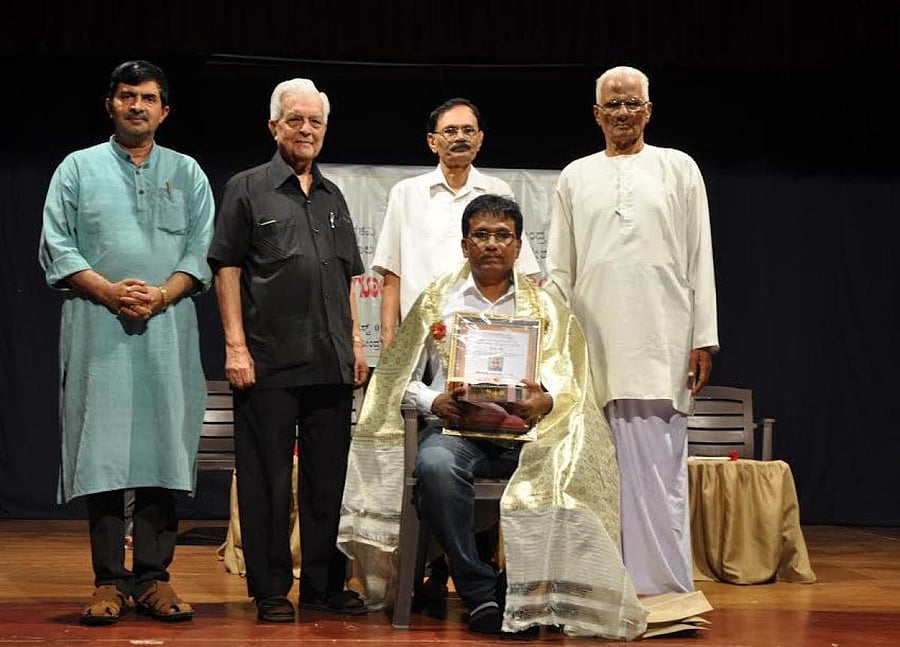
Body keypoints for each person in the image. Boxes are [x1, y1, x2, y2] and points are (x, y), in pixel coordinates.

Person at [339, 195, 648, 639]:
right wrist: (433, 401)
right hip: (456, 432)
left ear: (519, 246)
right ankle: (478, 589)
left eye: (503, 235)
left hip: (526, 437)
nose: (491, 244)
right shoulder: (438, 299)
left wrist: (546, 402)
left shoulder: (548, 307)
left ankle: (524, 589)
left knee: (566, 467)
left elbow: (573, 384)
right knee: (434, 466)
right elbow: (397, 376)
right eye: (481, 235)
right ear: (465, 244)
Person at [38, 60, 214, 625]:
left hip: (167, 329)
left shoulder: (187, 172)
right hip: (98, 327)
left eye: (149, 98)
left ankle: (155, 578)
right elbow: (58, 245)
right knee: (104, 452)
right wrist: (109, 292)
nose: (138, 105)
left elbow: (202, 250)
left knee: (164, 449)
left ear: (165, 110)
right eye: (127, 96)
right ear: (110, 104)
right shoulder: (77, 168)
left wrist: (160, 295)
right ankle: (108, 582)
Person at [545, 65, 719, 595]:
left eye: (632, 104)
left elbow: (700, 257)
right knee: (596, 473)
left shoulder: (678, 168)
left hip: (662, 340)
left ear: (649, 110)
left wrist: (703, 337)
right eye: (613, 105)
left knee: (658, 474)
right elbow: (560, 269)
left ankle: (663, 592)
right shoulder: (575, 175)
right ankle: (603, 590)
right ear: (596, 114)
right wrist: (554, 345)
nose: (623, 113)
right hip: (593, 345)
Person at [208, 78, 370, 623]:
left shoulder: (332, 195)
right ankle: (271, 589)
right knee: (267, 480)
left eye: (315, 121)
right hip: (268, 361)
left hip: (331, 361)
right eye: (295, 120)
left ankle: (323, 586)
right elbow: (227, 268)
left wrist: (355, 341)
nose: (306, 130)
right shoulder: (247, 187)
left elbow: (348, 277)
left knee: (329, 480)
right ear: (274, 126)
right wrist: (235, 347)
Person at [371, 97, 542, 351]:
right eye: (450, 131)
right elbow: (392, 273)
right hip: (421, 342)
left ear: (479, 139)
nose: (460, 137)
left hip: (486, 339)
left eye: (468, 130)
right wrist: (388, 341)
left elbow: (522, 271)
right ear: (432, 141)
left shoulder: (497, 191)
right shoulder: (406, 193)